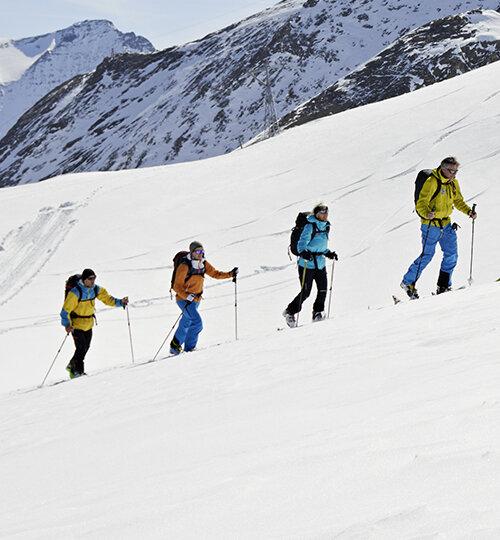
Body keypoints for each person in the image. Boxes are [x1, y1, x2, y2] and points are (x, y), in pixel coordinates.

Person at [401, 157, 477, 298]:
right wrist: (426, 213)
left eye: (456, 171)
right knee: (428, 255)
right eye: (451, 171)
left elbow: (458, 201)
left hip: (446, 224)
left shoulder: (453, 183)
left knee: (452, 254)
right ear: (443, 168)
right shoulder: (431, 182)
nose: (454, 174)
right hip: (431, 225)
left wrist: (468, 211)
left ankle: (443, 286)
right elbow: (421, 203)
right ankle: (408, 282)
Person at [170, 242, 238, 355]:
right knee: (197, 322)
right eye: (197, 252)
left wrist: (230, 274)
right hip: (183, 300)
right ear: (192, 252)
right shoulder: (184, 266)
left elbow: (215, 274)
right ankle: (189, 349)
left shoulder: (203, 263)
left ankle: (175, 347)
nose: (200, 254)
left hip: (196, 300)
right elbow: (176, 286)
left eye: (202, 251)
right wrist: (186, 296)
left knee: (186, 321)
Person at [60, 268, 129, 378]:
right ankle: (77, 372)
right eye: (90, 279)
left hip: (88, 324)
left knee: (86, 347)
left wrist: (120, 302)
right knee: (81, 348)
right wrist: (67, 324)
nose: (93, 281)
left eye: (94, 278)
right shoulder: (75, 292)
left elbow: (108, 299)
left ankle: (73, 364)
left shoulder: (96, 289)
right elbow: (65, 310)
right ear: (84, 279)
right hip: (76, 325)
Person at [283, 203, 338, 327]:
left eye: (326, 213)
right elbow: (302, 242)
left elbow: (321, 244)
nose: (325, 215)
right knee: (306, 291)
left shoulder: (326, 226)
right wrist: (303, 252)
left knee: (323, 288)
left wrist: (328, 253)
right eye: (322, 213)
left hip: (320, 263)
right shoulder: (310, 226)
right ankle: (290, 312)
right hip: (307, 264)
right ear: (317, 214)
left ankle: (318, 312)